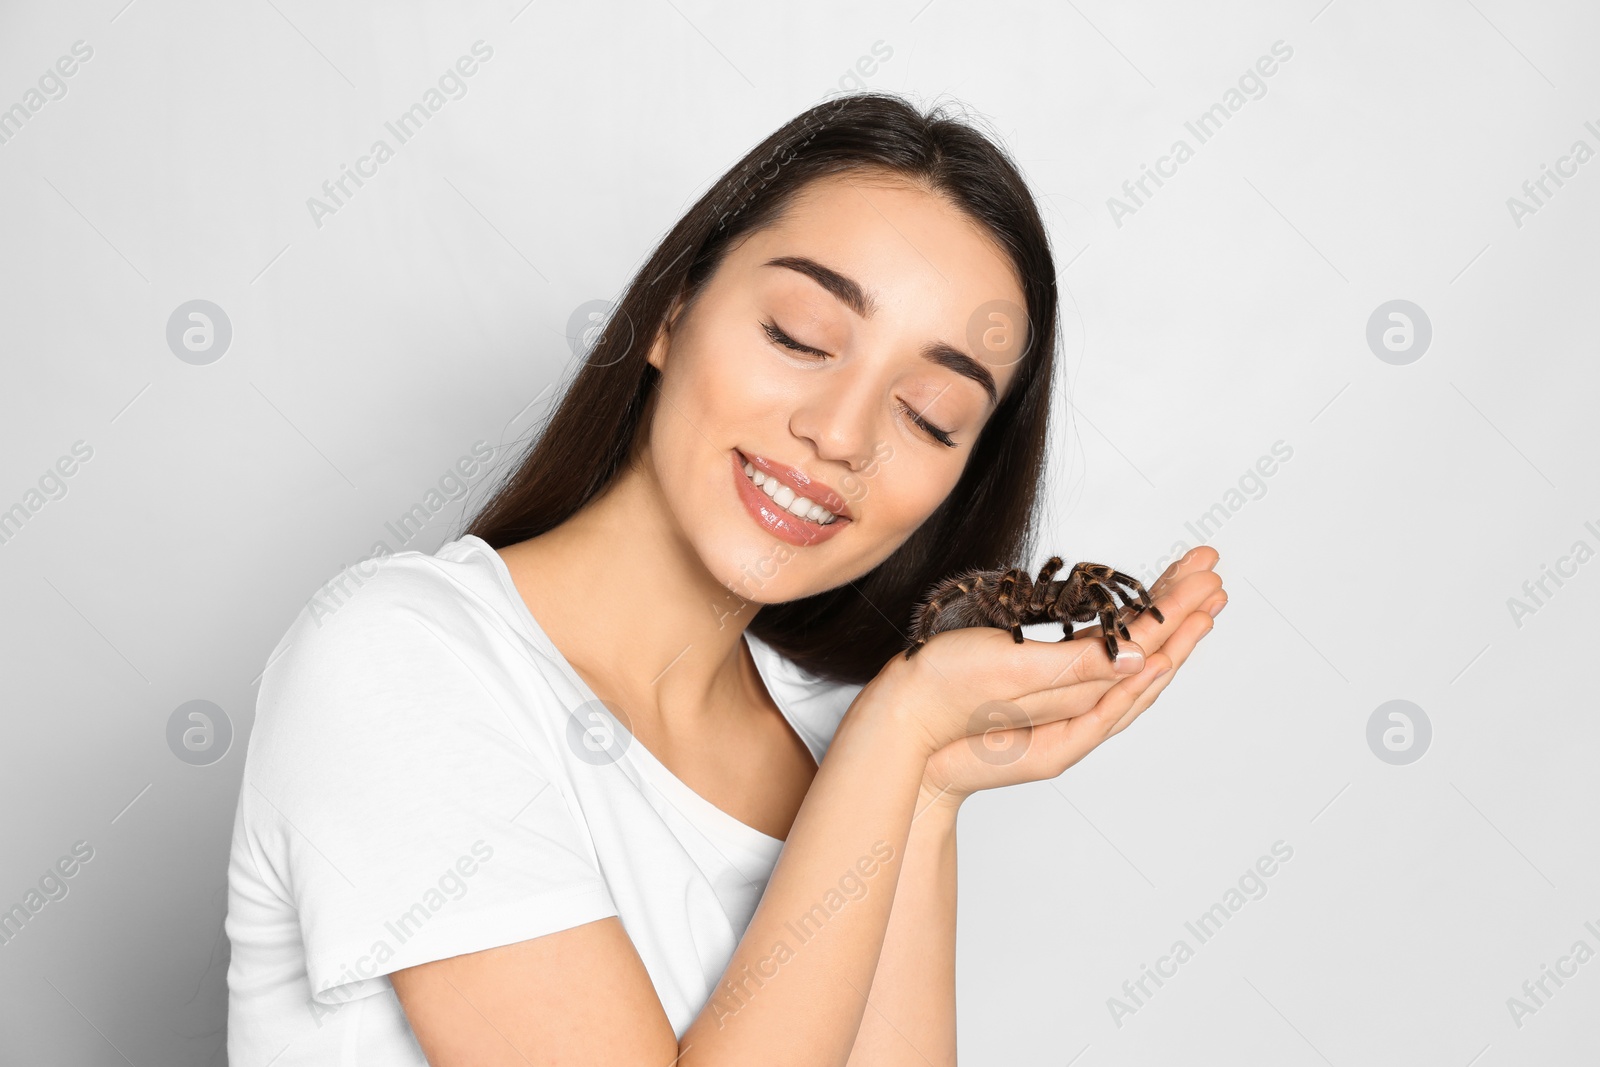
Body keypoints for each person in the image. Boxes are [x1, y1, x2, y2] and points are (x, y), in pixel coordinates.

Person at [224, 90, 1226, 1066]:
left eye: (926, 413)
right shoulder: (399, 658)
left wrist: (925, 790)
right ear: (669, 313)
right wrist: (898, 736)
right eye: (799, 336)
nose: (839, 434)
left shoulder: (848, 732)